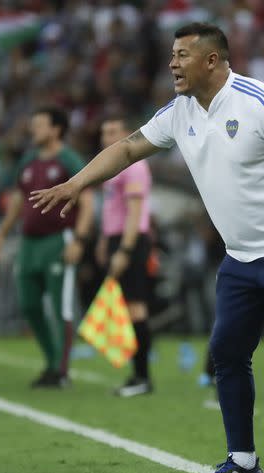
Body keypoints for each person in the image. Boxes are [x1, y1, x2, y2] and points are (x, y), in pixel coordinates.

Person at [30, 23, 264, 473]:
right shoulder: (180, 112)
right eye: (172, 55)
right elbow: (126, 149)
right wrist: (77, 183)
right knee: (226, 353)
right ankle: (243, 461)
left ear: (212, 61)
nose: (173, 64)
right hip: (240, 259)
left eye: (182, 55)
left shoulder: (263, 103)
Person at [0, 107, 93, 388]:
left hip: (58, 240)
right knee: (29, 304)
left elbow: (87, 201)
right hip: (29, 243)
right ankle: (51, 361)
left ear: (55, 130)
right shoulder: (27, 160)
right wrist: (1, 234)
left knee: (60, 308)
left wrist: (80, 240)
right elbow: (17, 200)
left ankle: (60, 371)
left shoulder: (68, 159)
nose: (33, 130)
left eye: (39, 125)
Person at [96, 116, 155, 397]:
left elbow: (134, 214)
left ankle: (142, 377)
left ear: (126, 134)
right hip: (116, 239)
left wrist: (125, 250)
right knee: (127, 308)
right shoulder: (112, 167)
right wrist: (104, 242)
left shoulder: (135, 167)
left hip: (131, 240)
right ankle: (138, 375)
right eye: (103, 132)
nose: (106, 137)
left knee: (136, 308)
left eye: (112, 131)